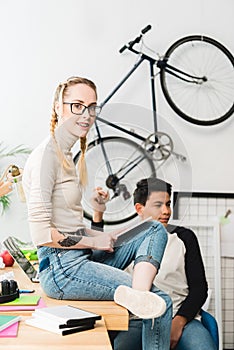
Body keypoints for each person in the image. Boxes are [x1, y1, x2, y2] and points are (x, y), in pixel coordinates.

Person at [22, 76, 172, 350]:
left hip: (79, 256)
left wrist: (100, 230)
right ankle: (142, 297)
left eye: (92, 107)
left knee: (153, 228)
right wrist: (94, 241)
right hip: (62, 269)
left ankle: (138, 294)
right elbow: (42, 234)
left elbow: (70, 227)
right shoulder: (46, 157)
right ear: (58, 106)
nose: (86, 114)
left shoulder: (66, 155)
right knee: (161, 302)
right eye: (77, 105)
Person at [91, 178, 217, 350]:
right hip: (138, 320)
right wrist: (97, 215)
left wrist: (178, 323)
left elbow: (199, 289)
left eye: (168, 204)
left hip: (180, 318)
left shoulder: (185, 238)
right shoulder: (127, 239)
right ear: (139, 208)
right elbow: (97, 261)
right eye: (158, 205)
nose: (166, 211)